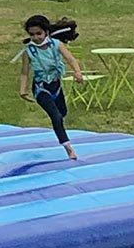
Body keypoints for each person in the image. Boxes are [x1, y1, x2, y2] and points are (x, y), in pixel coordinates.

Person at [18, 14, 84, 160]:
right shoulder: (29, 51)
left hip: (56, 85)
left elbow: (71, 59)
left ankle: (59, 126)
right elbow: (24, 72)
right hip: (41, 88)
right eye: (32, 34)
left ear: (46, 32)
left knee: (62, 113)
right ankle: (69, 149)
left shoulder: (56, 45)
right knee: (56, 116)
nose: (36, 37)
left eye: (39, 33)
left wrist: (77, 72)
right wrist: (23, 89)